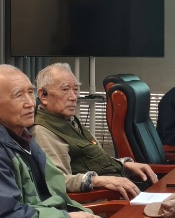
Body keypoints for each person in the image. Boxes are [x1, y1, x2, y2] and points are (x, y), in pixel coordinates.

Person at [0, 65, 104, 218]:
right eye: (18, 95)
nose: (30, 103)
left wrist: (83, 214)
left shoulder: (22, 135)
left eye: (30, 92)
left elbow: (55, 190)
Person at [32, 63, 158, 195]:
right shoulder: (42, 131)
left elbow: (92, 161)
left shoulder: (67, 120)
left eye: (75, 90)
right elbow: (57, 181)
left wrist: (124, 165)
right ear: (43, 95)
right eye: (65, 90)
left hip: (120, 191)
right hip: (102, 200)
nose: (73, 97)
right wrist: (97, 181)